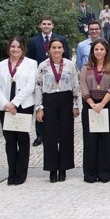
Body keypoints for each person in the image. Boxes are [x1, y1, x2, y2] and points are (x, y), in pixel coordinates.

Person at [35, 39, 81, 183]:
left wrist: (76, 105)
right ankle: (52, 169)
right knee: (49, 136)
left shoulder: (69, 65)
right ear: (49, 49)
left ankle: (63, 168)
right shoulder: (43, 66)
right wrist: (38, 108)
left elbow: (76, 85)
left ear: (63, 49)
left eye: (59, 47)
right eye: (53, 47)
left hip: (66, 100)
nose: (56, 50)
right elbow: (37, 86)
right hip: (49, 101)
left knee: (66, 135)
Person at [0, 37, 37, 185]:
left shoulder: (31, 63)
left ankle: (21, 174)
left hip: (23, 106)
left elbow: (30, 86)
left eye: (18, 47)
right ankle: (11, 173)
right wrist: (6, 103)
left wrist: (14, 103)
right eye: (13, 46)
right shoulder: (1, 65)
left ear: (23, 48)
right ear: (9, 48)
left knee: (22, 140)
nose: (15, 49)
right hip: (4, 108)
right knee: (10, 141)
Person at [27, 15, 70, 147]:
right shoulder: (33, 41)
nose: (46, 26)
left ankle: (56, 134)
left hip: (57, 78)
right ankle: (40, 135)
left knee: (56, 107)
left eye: (49, 24)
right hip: (41, 79)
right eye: (44, 24)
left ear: (53, 25)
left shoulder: (61, 39)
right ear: (40, 25)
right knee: (40, 105)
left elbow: (66, 58)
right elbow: (32, 61)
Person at [80, 39, 110, 183]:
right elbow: (83, 87)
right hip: (90, 106)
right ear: (92, 51)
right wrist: (91, 103)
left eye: (102, 49)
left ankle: (105, 172)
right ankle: (90, 172)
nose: (99, 52)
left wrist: (102, 104)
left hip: (107, 105)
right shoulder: (86, 67)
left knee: (106, 140)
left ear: (106, 51)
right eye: (96, 49)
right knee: (90, 140)